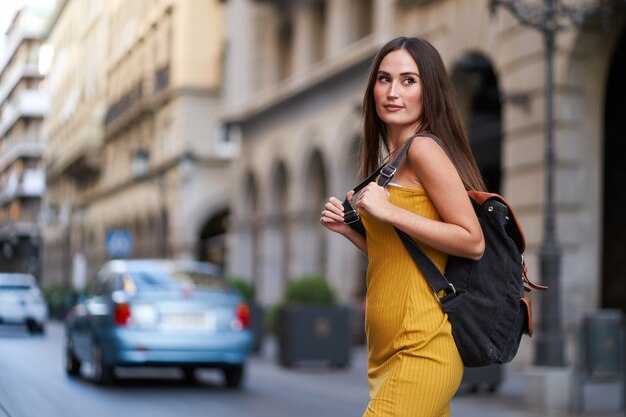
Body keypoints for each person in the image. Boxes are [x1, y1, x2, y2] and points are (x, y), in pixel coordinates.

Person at [320, 37, 486, 417]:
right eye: (384, 79)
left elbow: (472, 241)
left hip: (423, 346)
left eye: (408, 81)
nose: (393, 92)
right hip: (386, 353)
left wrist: (390, 212)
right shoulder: (393, 161)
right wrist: (351, 230)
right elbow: (401, 258)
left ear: (430, 91)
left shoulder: (425, 150)